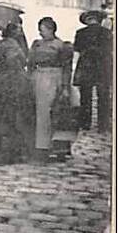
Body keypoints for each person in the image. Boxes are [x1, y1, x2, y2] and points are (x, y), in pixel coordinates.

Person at [0, 22, 36, 164]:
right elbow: (16, 61)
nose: (21, 33)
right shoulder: (13, 45)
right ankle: (8, 152)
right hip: (12, 82)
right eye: (19, 31)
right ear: (14, 33)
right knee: (11, 116)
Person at [27, 17, 75, 162]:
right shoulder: (36, 44)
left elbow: (67, 68)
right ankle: (40, 146)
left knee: (55, 113)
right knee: (39, 113)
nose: (41, 33)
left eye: (44, 30)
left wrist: (65, 87)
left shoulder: (61, 46)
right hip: (38, 78)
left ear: (51, 29)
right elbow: (30, 63)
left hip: (55, 78)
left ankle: (57, 147)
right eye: (40, 30)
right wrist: (29, 78)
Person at [73, 10, 112, 133]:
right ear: (99, 20)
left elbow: (77, 49)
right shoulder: (107, 33)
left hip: (86, 66)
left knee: (85, 96)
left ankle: (85, 123)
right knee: (104, 96)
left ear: (87, 20)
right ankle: (103, 125)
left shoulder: (80, 33)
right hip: (103, 66)